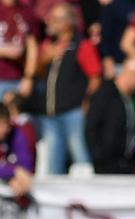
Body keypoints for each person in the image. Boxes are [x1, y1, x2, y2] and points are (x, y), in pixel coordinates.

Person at [34, 2, 100, 175]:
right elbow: (37, 74)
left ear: (67, 23)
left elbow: (95, 77)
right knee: (52, 162)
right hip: (50, 113)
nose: (49, 22)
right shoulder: (48, 45)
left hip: (73, 112)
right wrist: (44, 59)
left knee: (80, 155)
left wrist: (87, 102)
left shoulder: (81, 45)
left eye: (55, 19)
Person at [85, 57, 135, 174]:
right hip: (106, 164)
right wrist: (98, 157)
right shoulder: (104, 95)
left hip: (128, 164)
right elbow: (91, 128)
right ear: (131, 74)